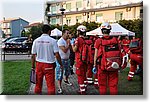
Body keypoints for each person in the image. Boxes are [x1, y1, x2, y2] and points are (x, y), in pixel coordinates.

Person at [31, 24, 63, 95]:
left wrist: (33, 66)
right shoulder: (53, 41)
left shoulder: (36, 41)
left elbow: (33, 55)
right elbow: (57, 55)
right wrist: (60, 64)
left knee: (38, 84)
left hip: (39, 64)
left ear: (42, 31)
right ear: (49, 31)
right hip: (49, 65)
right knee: (50, 85)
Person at [93, 22, 122, 95]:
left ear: (102, 30)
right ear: (110, 30)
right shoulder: (115, 40)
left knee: (102, 85)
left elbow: (96, 55)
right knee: (113, 85)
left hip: (102, 66)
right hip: (114, 65)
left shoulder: (98, 41)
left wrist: (94, 65)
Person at [72, 25, 87, 95]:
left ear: (79, 32)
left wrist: (72, 45)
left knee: (80, 75)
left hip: (79, 59)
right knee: (84, 74)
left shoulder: (78, 39)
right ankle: (84, 86)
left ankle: (82, 90)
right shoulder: (86, 39)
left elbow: (74, 50)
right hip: (85, 59)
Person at [56, 29, 72, 94]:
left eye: (69, 33)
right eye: (67, 33)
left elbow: (71, 49)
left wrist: (70, 44)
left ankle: (66, 80)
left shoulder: (67, 40)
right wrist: (68, 43)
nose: (68, 34)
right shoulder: (60, 41)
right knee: (60, 73)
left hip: (67, 59)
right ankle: (59, 87)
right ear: (63, 34)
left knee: (68, 71)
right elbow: (64, 50)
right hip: (61, 60)